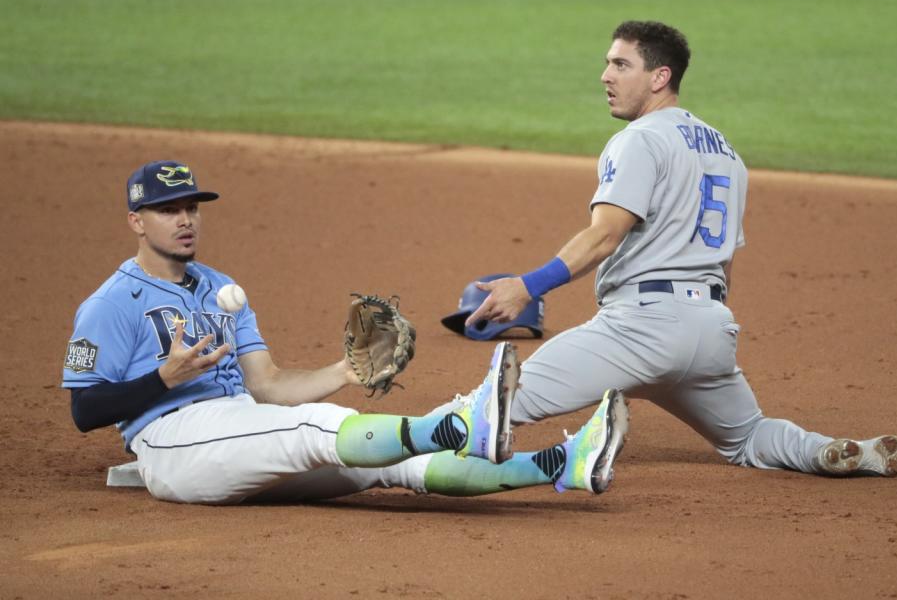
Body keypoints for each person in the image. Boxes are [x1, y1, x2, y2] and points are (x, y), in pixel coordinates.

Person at [458, 20, 897, 478]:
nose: (606, 75)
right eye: (607, 64)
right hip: (710, 332)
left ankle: (390, 464)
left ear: (660, 77)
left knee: (485, 411)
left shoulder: (640, 139)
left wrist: (528, 286)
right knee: (748, 436)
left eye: (621, 64)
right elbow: (725, 264)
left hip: (640, 329)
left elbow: (605, 234)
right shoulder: (727, 152)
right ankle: (837, 451)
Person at [62, 160, 629, 505]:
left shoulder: (219, 287)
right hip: (173, 444)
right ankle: (460, 423)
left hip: (240, 431)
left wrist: (346, 371)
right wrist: (164, 377)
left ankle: (562, 465)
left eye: (191, 207)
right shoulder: (111, 304)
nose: (185, 220)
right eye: (167, 211)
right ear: (137, 221)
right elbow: (86, 411)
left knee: (385, 465)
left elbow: (269, 387)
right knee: (316, 428)